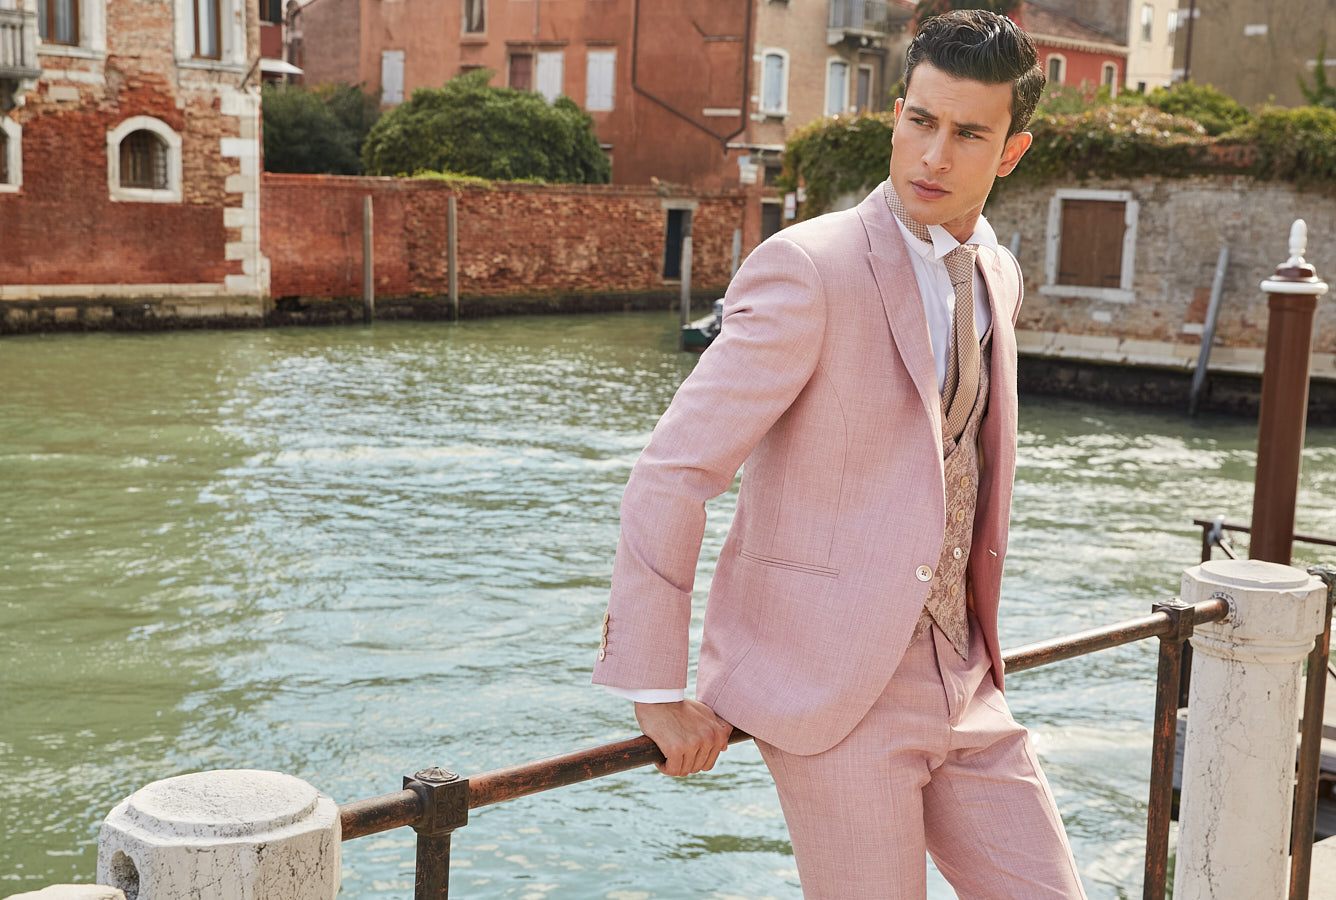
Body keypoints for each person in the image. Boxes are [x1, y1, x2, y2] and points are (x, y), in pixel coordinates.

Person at [592, 10, 1087, 898]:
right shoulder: (807, 268)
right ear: (897, 115)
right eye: (920, 121)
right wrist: (654, 685)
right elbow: (675, 471)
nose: (934, 154)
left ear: (1010, 152)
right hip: (834, 689)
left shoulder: (998, 274)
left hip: (965, 675)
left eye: (968, 133)